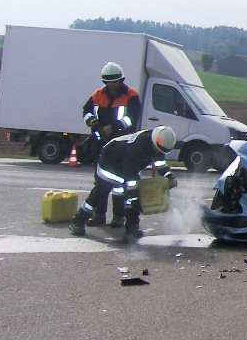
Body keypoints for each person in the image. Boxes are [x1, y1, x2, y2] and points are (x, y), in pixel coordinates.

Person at [68, 127, 178, 243]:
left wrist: (169, 176)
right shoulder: (138, 147)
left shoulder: (158, 144)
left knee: (130, 196)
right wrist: (134, 194)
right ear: (155, 141)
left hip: (125, 166)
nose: (158, 152)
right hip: (109, 163)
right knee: (102, 192)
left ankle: (129, 226)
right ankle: (78, 221)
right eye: (157, 149)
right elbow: (129, 173)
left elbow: (159, 162)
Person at [81, 62, 143, 227]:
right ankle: (99, 215)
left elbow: (132, 118)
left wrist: (114, 127)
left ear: (121, 80)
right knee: (100, 182)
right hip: (100, 144)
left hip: (121, 146)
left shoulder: (131, 96)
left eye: (115, 81)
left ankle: (118, 217)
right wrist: (94, 124)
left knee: (120, 184)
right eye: (109, 82)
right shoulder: (97, 95)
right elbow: (86, 112)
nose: (112, 85)